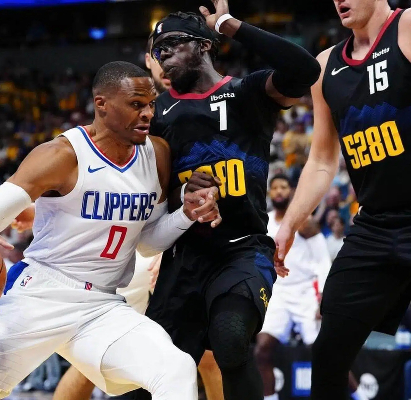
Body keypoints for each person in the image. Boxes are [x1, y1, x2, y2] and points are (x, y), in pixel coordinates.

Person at [0, 61, 221, 400]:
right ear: (102, 104)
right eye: (136, 104)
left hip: (101, 305)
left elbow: (147, 243)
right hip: (39, 294)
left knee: (175, 368)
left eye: (150, 104)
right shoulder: (62, 154)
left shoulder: (157, 154)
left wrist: (186, 215)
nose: (148, 113)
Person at [138, 1, 320, 399]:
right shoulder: (156, 115)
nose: (162, 56)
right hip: (182, 257)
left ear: (204, 45)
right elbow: (147, 188)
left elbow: (306, 70)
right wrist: (183, 197)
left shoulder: (246, 93)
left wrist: (227, 24)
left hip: (242, 250)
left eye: (171, 44)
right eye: (157, 51)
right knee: (149, 375)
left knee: (231, 338)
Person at [273, 2, 411, 399]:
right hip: (375, 224)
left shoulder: (407, 27)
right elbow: (321, 159)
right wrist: (289, 225)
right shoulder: (325, 66)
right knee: (329, 352)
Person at [254, 175, 332, 400]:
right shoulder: (265, 221)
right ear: (269, 193)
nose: (279, 191)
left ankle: (359, 395)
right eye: (274, 187)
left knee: (323, 354)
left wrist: (324, 296)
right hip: (278, 293)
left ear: (291, 191)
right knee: (262, 349)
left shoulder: (304, 221)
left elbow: (323, 261)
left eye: (283, 187)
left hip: (307, 292)